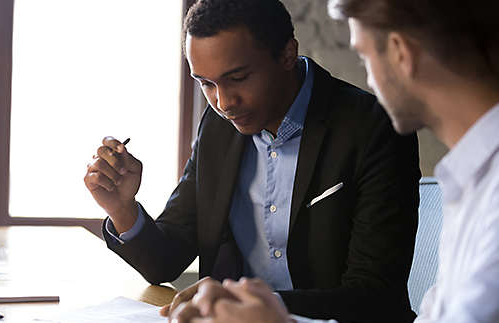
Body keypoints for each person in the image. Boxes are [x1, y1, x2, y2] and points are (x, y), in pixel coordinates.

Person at [84, 0, 420, 322]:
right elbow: (166, 262)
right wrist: (122, 209)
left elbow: (376, 297)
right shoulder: (218, 126)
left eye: (238, 78)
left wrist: (251, 305)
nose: (224, 102)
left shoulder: (374, 127)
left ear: (288, 54)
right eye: (205, 84)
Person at [174, 0, 499, 322]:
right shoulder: (469, 183)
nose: (369, 80)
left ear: (402, 53)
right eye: (206, 83)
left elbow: (375, 293)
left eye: (363, 55)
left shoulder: (487, 198)